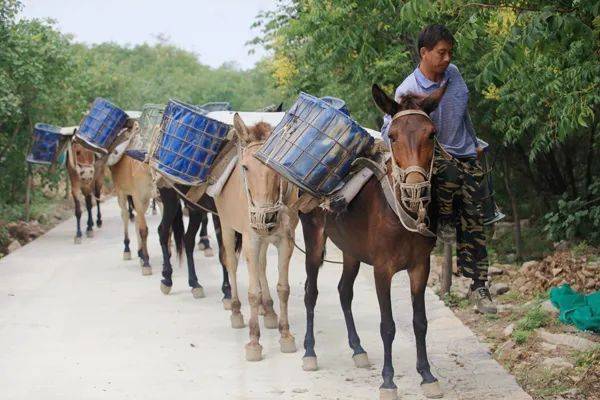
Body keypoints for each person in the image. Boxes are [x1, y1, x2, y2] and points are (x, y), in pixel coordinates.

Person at [381, 24, 496, 314]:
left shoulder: (453, 74)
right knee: (454, 182)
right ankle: (443, 223)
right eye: (441, 53)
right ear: (424, 53)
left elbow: (463, 112)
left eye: (450, 53)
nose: (447, 58)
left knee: (477, 214)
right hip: (435, 157)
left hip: (466, 152)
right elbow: (391, 130)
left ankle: (478, 284)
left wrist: (473, 141)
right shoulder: (408, 90)